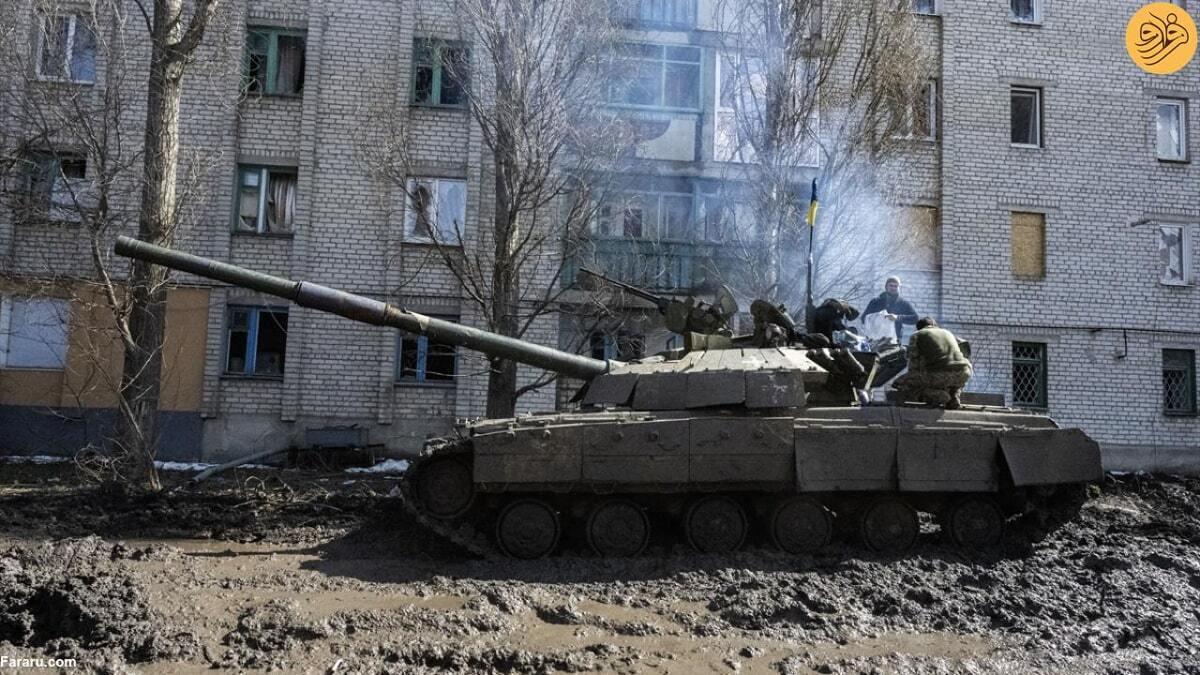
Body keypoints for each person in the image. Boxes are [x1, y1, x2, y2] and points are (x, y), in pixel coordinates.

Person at [893, 317, 972, 410]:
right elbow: (964, 349)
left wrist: (913, 377)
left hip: (941, 374)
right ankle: (953, 398)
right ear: (934, 325)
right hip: (965, 372)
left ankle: (939, 396)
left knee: (900, 383)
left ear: (919, 328)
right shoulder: (947, 332)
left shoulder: (917, 335)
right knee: (949, 378)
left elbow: (913, 360)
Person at [863, 276, 919, 342]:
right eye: (891, 285)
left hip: (893, 341)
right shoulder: (875, 301)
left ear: (899, 288)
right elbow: (863, 318)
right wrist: (877, 318)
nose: (893, 288)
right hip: (875, 339)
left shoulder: (903, 303)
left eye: (896, 286)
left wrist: (897, 317)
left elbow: (915, 318)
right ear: (886, 287)